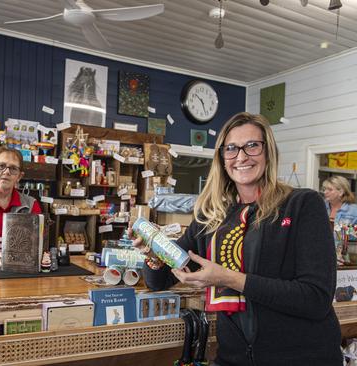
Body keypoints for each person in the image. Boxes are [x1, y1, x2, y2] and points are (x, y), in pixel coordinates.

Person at [131, 112, 342, 365]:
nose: (241, 157)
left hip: (302, 356)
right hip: (234, 358)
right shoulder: (211, 215)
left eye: (252, 146)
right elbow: (159, 280)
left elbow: (316, 299)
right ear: (222, 157)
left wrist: (229, 278)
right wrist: (154, 253)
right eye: (231, 148)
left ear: (268, 152)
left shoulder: (303, 204)